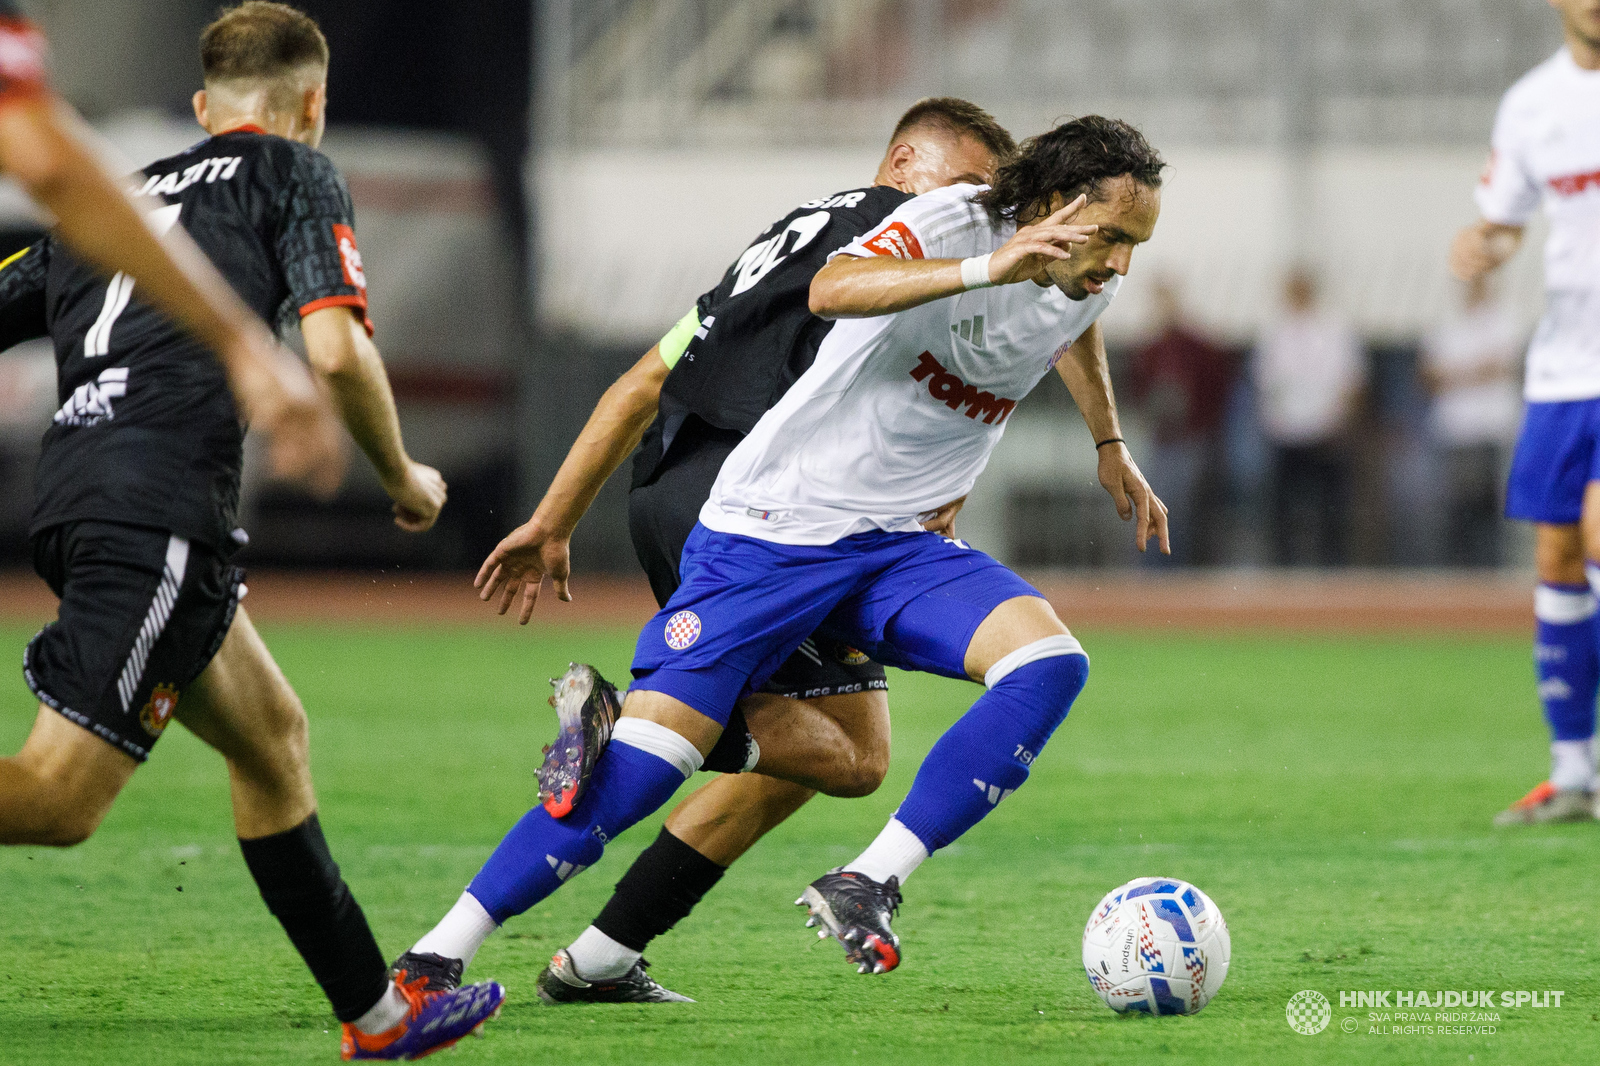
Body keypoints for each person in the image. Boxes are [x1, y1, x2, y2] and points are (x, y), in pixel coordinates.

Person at [405, 115, 1168, 985]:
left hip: (894, 545)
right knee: (652, 770)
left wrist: (1109, 442)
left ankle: (866, 881)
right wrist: (988, 266)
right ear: (1058, 207)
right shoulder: (959, 220)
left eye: (1134, 245)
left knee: (1044, 662)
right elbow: (833, 287)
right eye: (1110, 237)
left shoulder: (1086, 271)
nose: (1119, 264)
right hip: (773, 532)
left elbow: (1072, 322)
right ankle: (438, 954)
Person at [0, 4, 503, 1058]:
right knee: (56, 801)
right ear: (312, 104)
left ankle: (375, 1017)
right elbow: (332, 352)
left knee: (272, 741)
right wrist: (402, 475)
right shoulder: (293, 172)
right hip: (156, 504)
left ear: (199, 108)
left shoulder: (114, 201)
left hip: (82, 486)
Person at [0, 1, 337, 490]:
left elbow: (32, 270)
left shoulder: (139, 182)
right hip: (154, 465)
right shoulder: (289, 182)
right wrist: (243, 348)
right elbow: (49, 165)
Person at [1450, 0, 1600, 825]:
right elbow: (1505, 221)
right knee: (1558, 549)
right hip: (1563, 366)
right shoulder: (1534, 103)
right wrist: (1486, 244)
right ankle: (1574, 773)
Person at [1251, 267, 1365, 566]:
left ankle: (1333, 571)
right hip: (1286, 434)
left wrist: (1338, 422)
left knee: (1331, 513)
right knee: (1283, 515)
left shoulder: (1333, 329)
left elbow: (1351, 382)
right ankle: (1285, 574)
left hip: (1325, 432)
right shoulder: (1275, 332)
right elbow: (1265, 383)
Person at [1418, 277, 1522, 566]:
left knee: (1492, 510)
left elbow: (1501, 367)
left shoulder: (1504, 320)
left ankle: (1494, 569)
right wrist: (1474, 370)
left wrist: (1453, 374)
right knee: (1456, 510)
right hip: (1456, 431)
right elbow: (1428, 376)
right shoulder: (1446, 323)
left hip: (1493, 429)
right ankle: (1459, 571)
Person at [1128, 276, 1231, 565]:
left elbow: (1216, 387)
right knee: (1152, 506)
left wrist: (1202, 424)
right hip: (1163, 440)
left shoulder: (1194, 346)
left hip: (1189, 440)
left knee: (1179, 510)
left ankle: (1175, 567)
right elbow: (1138, 389)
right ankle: (1155, 568)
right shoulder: (1151, 349)